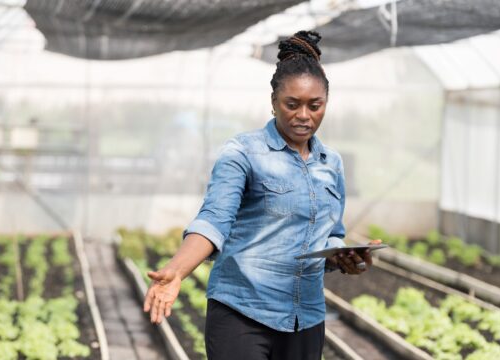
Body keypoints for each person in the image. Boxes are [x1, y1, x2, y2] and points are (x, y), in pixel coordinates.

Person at [143, 30, 380, 360]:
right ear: (273, 103)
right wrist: (177, 270)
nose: (303, 116)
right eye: (292, 104)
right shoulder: (243, 152)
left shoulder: (332, 164)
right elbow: (213, 219)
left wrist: (344, 257)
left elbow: (331, 235)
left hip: (306, 316)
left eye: (315, 106)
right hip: (243, 312)